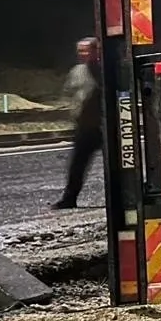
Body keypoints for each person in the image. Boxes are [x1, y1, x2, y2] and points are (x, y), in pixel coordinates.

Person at [53, 37, 103, 210]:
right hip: (84, 127)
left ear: (97, 51)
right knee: (76, 166)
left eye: (87, 50)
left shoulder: (106, 71)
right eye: (80, 51)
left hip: (105, 127)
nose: (83, 54)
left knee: (119, 166)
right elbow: (68, 93)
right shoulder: (77, 71)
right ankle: (69, 199)